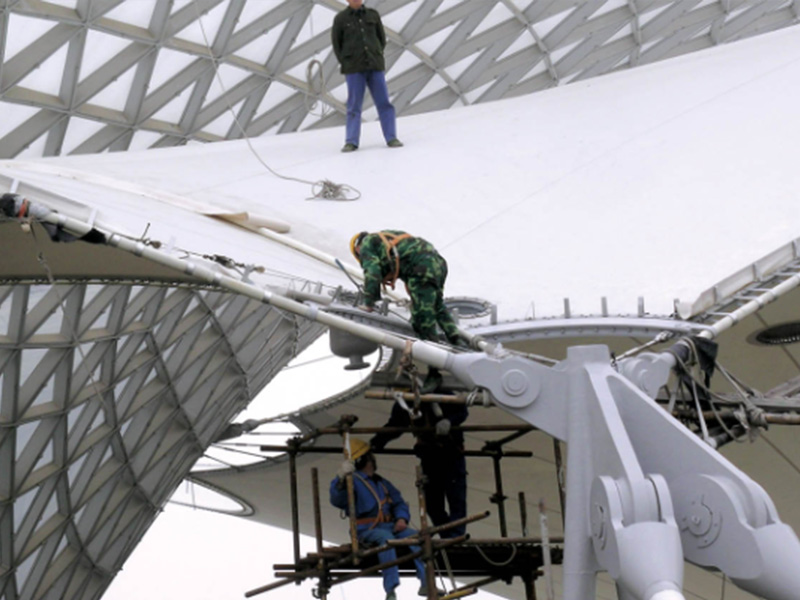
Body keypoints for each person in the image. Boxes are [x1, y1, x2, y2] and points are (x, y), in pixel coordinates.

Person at [349, 230, 469, 392]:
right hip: (437, 263)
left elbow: (373, 271)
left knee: (422, 321)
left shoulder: (367, 246)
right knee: (437, 306)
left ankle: (434, 373)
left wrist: (369, 301)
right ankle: (457, 340)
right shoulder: (387, 237)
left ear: (357, 249)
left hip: (420, 268)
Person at [330, 438, 429, 600]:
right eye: (370, 456)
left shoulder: (382, 483)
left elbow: (398, 502)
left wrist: (402, 519)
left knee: (417, 538)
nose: (373, 459)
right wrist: (339, 479)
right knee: (386, 541)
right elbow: (337, 500)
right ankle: (391, 590)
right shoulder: (351, 481)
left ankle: (426, 582)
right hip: (367, 530)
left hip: (390, 526)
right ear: (363, 459)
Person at [370, 401, 468, 539]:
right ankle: (449, 536)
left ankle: (456, 536)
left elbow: (462, 410)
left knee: (456, 501)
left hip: (451, 454)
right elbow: (396, 425)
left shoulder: (440, 393)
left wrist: (449, 421)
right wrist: (376, 442)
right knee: (433, 505)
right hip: (429, 456)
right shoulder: (404, 402)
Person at [331, 0, 403, 152]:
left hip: (374, 65)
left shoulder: (372, 15)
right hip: (354, 68)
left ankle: (391, 137)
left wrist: (375, 53)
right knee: (354, 105)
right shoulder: (341, 19)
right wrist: (348, 60)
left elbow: (381, 39)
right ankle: (351, 141)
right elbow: (337, 44)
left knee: (384, 102)